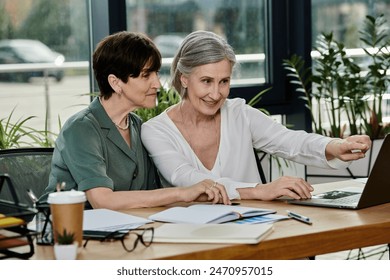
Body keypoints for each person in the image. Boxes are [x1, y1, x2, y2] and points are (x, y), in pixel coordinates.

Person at [141, 30, 372, 201]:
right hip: (192, 237)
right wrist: (260, 190)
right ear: (184, 78)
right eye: (206, 81)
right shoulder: (156, 130)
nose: (215, 93)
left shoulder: (239, 113)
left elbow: (289, 140)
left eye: (224, 81)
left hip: (256, 224)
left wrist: (335, 145)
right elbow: (188, 179)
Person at [39, 31, 230, 210]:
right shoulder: (81, 129)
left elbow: (152, 193)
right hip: (68, 235)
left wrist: (204, 192)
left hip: (129, 231)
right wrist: (183, 193)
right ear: (115, 83)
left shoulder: (138, 127)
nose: (157, 84)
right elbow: (102, 200)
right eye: (146, 75)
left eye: (156, 73)